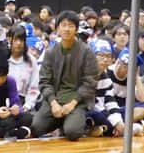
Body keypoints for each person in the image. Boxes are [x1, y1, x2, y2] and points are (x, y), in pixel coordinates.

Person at [30, 10, 98, 141]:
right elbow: (45, 81)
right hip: (54, 100)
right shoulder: (50, 52)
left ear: (76, 29)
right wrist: (53, 103)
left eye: (71, 26)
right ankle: (63, 120)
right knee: (37, 128)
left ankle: (72, 120)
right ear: (57, 28)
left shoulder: (87, 52)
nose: (67, 29)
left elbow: (90, 83)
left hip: (76, 102)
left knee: (73, 133)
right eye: (63, 25)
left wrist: (72, 103)